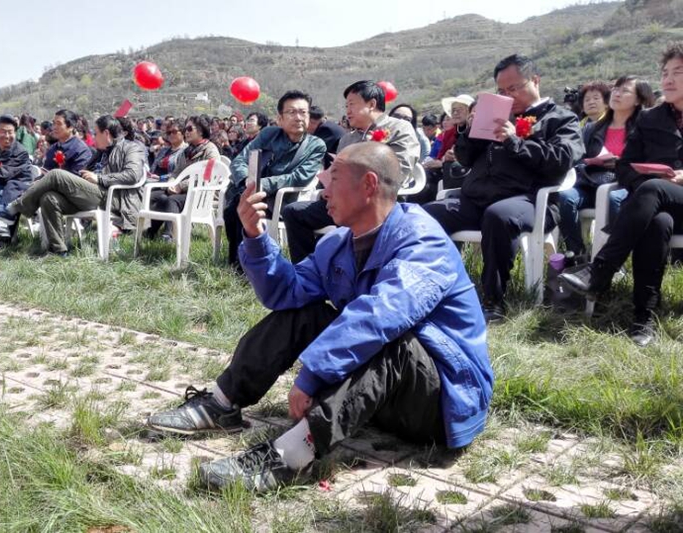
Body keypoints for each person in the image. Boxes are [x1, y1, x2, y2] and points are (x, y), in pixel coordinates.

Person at [146, 142, 493, 493]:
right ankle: (222, 403)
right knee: (306, 313)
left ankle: (289, 456)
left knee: (394, 342)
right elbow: (286, 292)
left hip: (442, 404)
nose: (323, 186)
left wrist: (312, 375)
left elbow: (380, 315)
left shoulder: (423, 241)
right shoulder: (338, 243)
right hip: (382, 399)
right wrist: (255, 236)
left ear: (369, 184)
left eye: (334, 176)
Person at [422, 54, 584, 322]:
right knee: (427, 214)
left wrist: (514, 141)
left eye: (514, 88)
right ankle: (435, 288)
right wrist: (470, 130)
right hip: (476, 198)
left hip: (530, 201)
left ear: (535, 80)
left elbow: (561, 160)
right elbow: (464, 158)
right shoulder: (498, 115)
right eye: (502, 90)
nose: (508, 95)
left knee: (498, 215)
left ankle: (493, 300)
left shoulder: (560, 118)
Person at [559, 43, 683, 347]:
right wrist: (650, 178)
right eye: (665, 72)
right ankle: (643, 318)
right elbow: (625, 167)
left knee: (652, 190)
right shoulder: (650, 119)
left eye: (678, 72)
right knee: (657, 221)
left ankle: (599, 271)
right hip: (655, 206)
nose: (668, 79)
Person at [280, 80, 418, 264]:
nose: (348, 111)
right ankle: (307, 271)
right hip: (344, 201)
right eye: (346, 106)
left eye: (352, 104)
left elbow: (400, 170)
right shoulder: (347, 139)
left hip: (378, 203)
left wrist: (370, 156)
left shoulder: (398, 128)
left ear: (371, 104)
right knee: (293, 212)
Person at [0, 115, 146, 254]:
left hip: (113, 198)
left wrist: (99, 178)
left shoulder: (131, 147)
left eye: (96, 133)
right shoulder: (100, 153)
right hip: (91, 194)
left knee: (56, 174)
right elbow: (82, 175)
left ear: (106, 133)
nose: (94, 137)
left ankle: (11, 210)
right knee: (48, 197)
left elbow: (133, 175)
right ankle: (59, 250)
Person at [223, 91, 327, 266]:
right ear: (280, 118)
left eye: (303, 112)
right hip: (250, 190)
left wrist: (260, 184)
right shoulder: (269, 135)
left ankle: (249, 264)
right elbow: (240, 160)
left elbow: (299, 178)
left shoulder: (316, 145)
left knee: (244, 205)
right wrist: (247, 180)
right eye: (292, 112)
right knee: (235, 208)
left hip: (282, 200)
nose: (298, 117)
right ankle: (238, 262)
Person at [557, 76, 656, 255]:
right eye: (616, 89)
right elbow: (577, 158)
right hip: (592, 182)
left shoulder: (644, 129)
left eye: (625, 91)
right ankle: (576, 254)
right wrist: (590, 162)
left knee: (613, 197)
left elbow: (650, 162)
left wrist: (620, 163)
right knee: (565, 196)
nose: (617, 94)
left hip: (625, 184)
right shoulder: (591, 128)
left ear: (638, 100)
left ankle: (613, 256)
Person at [144, 115, 220, 240]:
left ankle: (170, 235)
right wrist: (172, 183)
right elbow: (176, 172)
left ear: (201, 131)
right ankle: (151, 232)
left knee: (172, 200)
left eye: (190, 129)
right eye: (185, 129)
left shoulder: (210, 150)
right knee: (157, 196)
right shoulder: (187, 151)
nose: (186, 132)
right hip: (185, 192)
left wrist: (181, 186)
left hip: (202, 194)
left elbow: (207, 177)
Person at [42, 110, 93, 174]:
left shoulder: (81, 150)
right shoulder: (52, 148)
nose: (54, 127)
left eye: (59, 124)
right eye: (54, 123)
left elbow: (76, 177)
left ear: (71, 127)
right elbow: (45, 170)